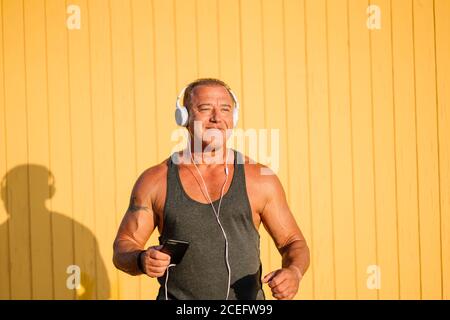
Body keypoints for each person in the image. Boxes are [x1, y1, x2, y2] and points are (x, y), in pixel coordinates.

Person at [112, 78, 310, 300]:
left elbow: (293, 242)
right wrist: (141, 259)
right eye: (205, 108)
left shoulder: (260, 179)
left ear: (233, 118)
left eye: (225, 109)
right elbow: (123, 248)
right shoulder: (156, 180)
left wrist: (294, 272)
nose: (216, 118)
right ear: (184, 117)